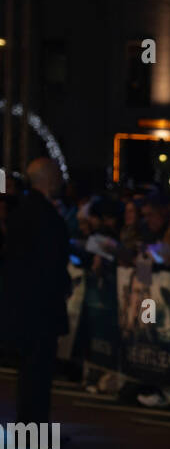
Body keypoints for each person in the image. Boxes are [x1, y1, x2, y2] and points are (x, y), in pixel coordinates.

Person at [0, 156, 71, 424]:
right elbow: (52, 260)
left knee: (28, 373)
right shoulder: (46, 217)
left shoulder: (19, 213)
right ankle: (33, 428)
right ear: (49, 179)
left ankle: (28, 426)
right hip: (41, 308)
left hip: (22, 306)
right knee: (38, 374)